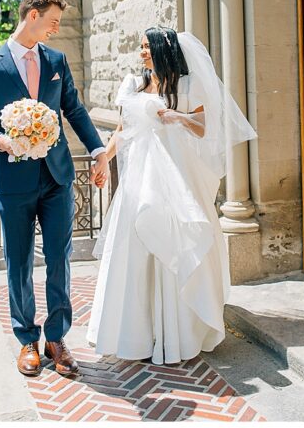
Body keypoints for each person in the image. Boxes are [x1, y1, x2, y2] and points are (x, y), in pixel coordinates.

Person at [87, 27, 256, 364]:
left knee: (172, 246)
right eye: (141, 46)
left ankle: (180, 330)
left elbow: (205, 127)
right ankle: (138, 332)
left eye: (147, 47)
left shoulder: (188, 85)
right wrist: (104, 158)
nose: (142, 53)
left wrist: (177, 116)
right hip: (139, 176)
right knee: (135, 246)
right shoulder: (135, 85)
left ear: (164, 49)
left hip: (174, 174)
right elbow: (123, 130)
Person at [0, 0, 107, 377]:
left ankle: (56, 338)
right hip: (14, 180)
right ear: (32, 15)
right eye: (52, 22)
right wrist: (1, 139)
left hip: (58, 177)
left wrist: (98, 152)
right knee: (19, 262)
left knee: (60, 259)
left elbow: (74, 111)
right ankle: (27, 339)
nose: (56, 29)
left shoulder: (57, 60)